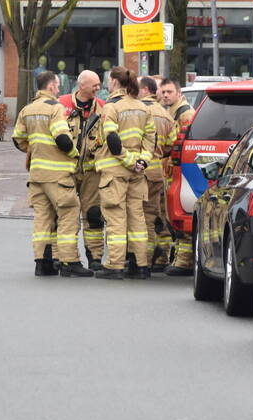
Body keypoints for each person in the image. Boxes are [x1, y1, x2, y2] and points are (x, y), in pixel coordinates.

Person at [12, 70, 93, 277]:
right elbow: (62, 139)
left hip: (36, 175)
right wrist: (75, 155)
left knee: (42, 219)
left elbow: (18, 138)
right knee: (69, 214)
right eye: (57, 85)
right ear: (50, 87)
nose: (58, 89)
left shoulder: (27, 109)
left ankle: (42, 263)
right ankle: (69, 262)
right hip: (57, 176)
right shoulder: (55, 108)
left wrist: (34, 149)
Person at [93, 66, 155, 279]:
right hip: (137, 173)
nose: (107, 85)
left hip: (115, 173)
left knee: (116, 218)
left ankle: (115, 265)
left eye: (109, 81)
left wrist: (129, 161)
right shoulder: (143, 107)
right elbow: (150, 140)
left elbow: (112, 140)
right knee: (137, 218)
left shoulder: (112, 107)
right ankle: (141, 265)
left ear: (115, 82)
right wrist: (141, 163)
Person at [59, 70, 106, 269]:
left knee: (94, 214)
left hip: (92, 171)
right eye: (94, 85)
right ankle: (62, 258)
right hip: (66, 170)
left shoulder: (102, 108)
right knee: (64, 214)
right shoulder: (62, 105)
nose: (98, 88)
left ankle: (95, 257)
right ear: (81, 86)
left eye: (99, 84)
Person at [139, 76, 178, 272]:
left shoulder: (136, 111)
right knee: (153, 216)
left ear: (145, 90)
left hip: (136, 171)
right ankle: (152, 259)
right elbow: (171, 144)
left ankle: (139, 261)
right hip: (156, 172)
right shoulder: (166, 115)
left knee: (136, 217)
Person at [158, 78, 196, 276]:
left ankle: (184, 261)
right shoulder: (171, 112)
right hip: (171, 171)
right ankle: (178, 257)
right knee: (171, 215)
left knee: (181, 214)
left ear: (179, 93)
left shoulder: (185, 113)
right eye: (163, 92)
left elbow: (181, 144)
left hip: (178, 170)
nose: (165, 95)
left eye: (169, 91)